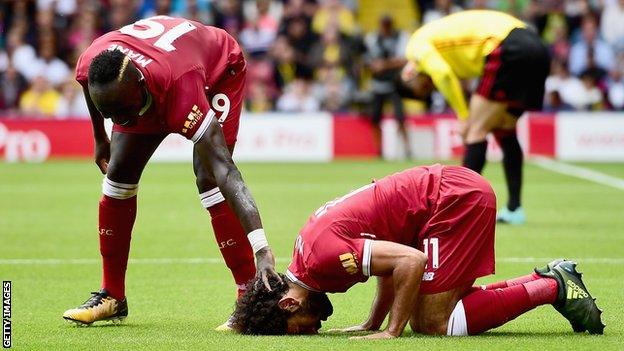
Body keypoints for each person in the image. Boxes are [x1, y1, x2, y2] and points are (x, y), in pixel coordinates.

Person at [62, 16, 280, 328]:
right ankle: (113, 296)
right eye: (111, 114)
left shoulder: (182, 91)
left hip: (218, 70)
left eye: (122, 112)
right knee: (118, 176)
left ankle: (248, 293)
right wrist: (101, 137)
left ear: (137, 84)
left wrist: (262, 249)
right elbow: (88, 85)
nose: (121, 120)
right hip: (161, 68)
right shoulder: (92, 63)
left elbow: (227, 171)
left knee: (209, 178)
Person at [231, 165, 605, 337]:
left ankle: (553, 287)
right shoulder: (308, 260)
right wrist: (372, 322)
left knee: (431, 323)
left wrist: (392, 331)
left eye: (297, 331)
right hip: (445, 198)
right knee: (433, 310)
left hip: (453, 200)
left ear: (288, 304)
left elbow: (410, 261)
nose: (313, 331)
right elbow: (388, 264)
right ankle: (550, 280)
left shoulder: (323, 260)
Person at [396, 10, 551, 225]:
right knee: (505, 128)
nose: (430, 87)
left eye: (425, 87)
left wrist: (463, 115)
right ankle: (515, 208)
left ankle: (455, 211)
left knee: (474, 130)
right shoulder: (445, 46)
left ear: (410, 75)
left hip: (507, 46)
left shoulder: (415, 47)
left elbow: (442, 74)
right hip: (537, 47)